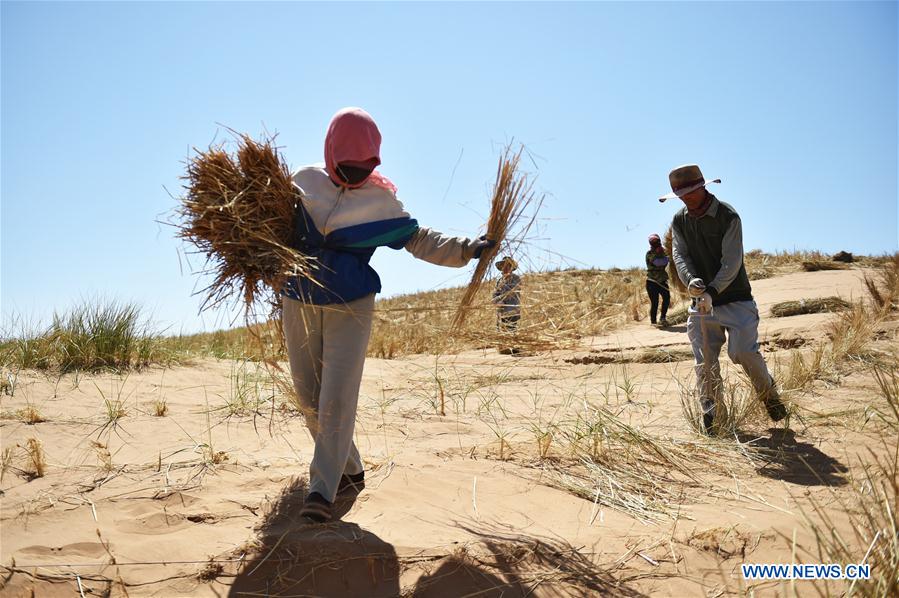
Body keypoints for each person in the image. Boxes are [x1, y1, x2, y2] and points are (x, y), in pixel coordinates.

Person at [282, 107, 494, 522]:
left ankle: (321, 492)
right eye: (346, 167)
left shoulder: (381, 202)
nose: (354, 175)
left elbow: (419, 239)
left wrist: (468, 248)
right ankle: (351, 468)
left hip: (351, 304)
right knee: (308, 396)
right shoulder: (302, 182)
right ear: (329, 154)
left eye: (364, 168)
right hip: (299, 300)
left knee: (336, 398)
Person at [662, 164, 788, 434]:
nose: (686, 198)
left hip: (735, 299)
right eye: (680, 194)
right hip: (701, 305)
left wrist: (712, 290)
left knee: (742, 352)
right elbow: (680, 255)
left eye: (690, 192)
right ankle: (713, 415)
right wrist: (691, 281)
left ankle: (769, 396)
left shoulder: (728, 216)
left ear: (702, 187)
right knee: (705, 362)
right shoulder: (679, 221)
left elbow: (731, 261)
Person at [492, 256, 521, 350]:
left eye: (508, 266)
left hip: (512, 309)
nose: (505, 268)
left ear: (511, 267)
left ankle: (515, 348)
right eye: (503, 266)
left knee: (512, 328)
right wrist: (496, 301)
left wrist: (501, 300)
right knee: (502, 330)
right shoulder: (499, 281)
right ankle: (505, 349)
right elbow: (495, 294)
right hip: (501, 311)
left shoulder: (516, 278)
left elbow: (512, 292)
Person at [645, 234, 670, 327]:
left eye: (657, 241)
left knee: (667, 298)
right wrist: (667, 258)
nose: (656, 243)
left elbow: (669, 258)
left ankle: (663, 318)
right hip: (652, 282)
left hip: (662, 281)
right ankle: (653, 322)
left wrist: (665, 254)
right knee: (655, 302)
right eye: (653, 242)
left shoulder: (663, 252)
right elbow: (659, 263)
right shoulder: (649, 254)